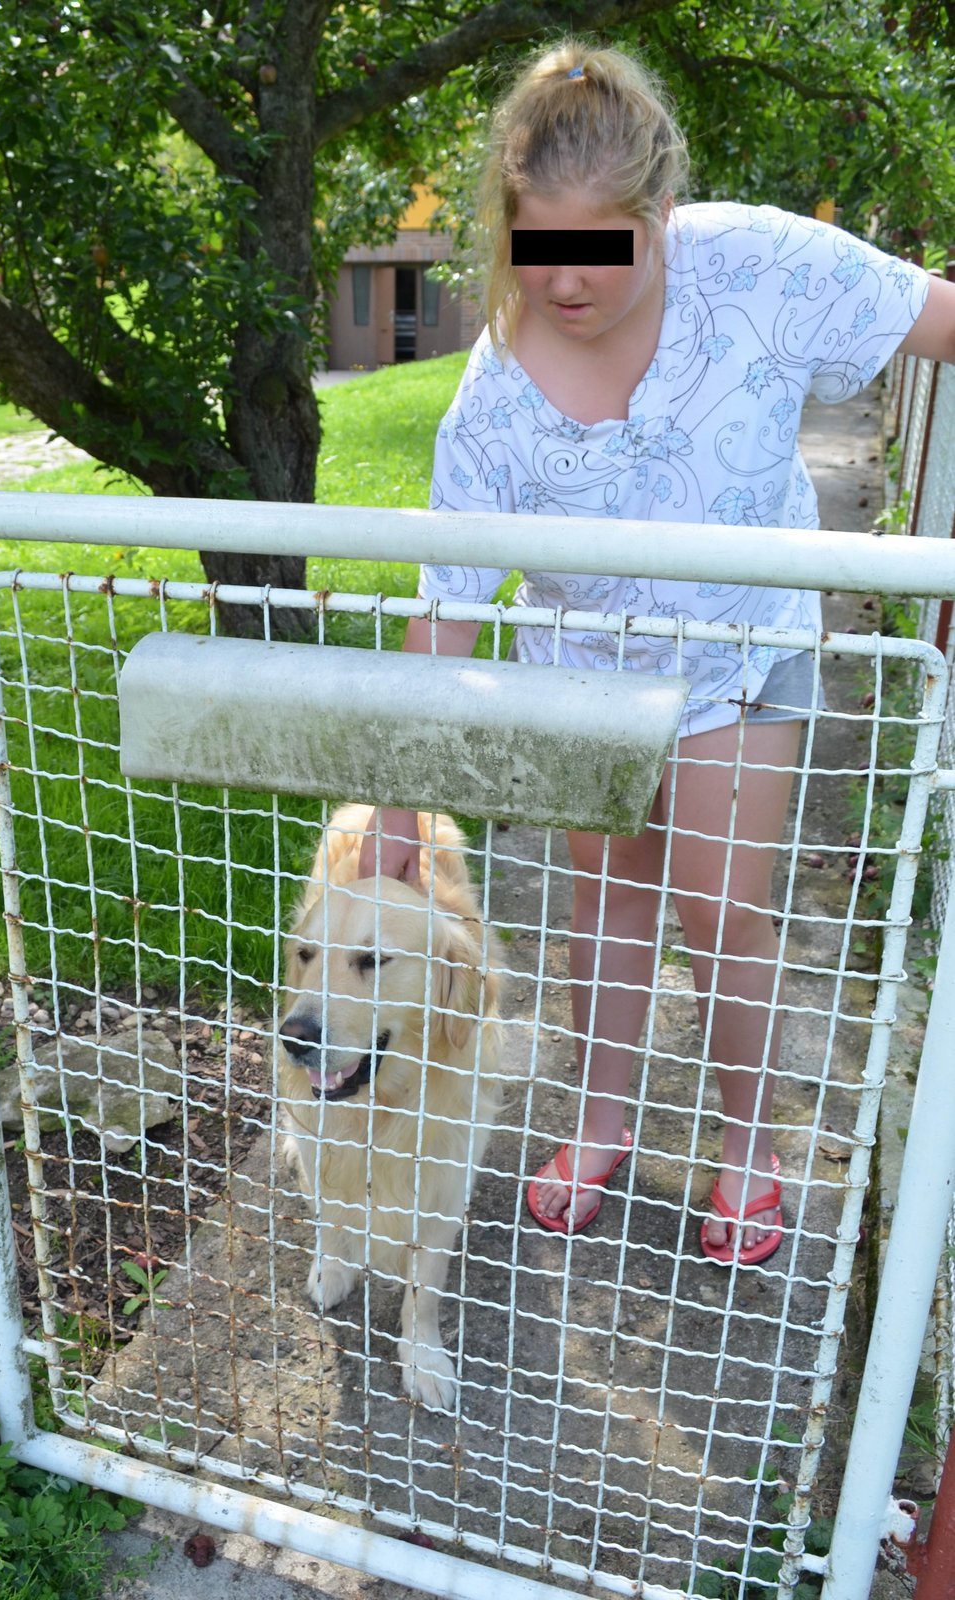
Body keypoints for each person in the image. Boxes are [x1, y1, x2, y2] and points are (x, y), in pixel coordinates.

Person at [357, 38, 955, 1263]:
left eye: (600, 247)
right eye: (539, 246)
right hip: (594, 675)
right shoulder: (496, 392)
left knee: (721, 909)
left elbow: (940, 321)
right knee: (612, 897)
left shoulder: (762, 266)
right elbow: (450, 599)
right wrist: (396, 809)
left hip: (742, 652)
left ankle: (752, 1144)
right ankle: (605, 1115)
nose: (565, 282)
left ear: (662, 215)